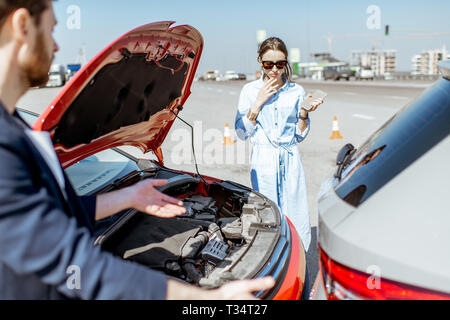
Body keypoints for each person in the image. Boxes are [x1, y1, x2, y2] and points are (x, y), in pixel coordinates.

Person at [0, 0, 274, 300]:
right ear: (22, 25)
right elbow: (71, 264)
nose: (55, 46)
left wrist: (128, 196)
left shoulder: (14, 126)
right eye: (51, 30)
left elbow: (59, 212)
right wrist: (208, 299)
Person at [235, 37, 323, 253]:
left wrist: (303, 114)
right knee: (268, 215)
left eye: (280, 64)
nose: (274, 70)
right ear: (260, 61)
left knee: (296, 213)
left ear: (286, 63)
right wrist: (258, 103)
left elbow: (299, 135)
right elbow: (241, 132)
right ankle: (271, 261)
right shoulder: (249, 90)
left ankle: (298, 260)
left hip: (290, 158)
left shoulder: (296, 91)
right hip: (263, 160)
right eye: (268, 64)